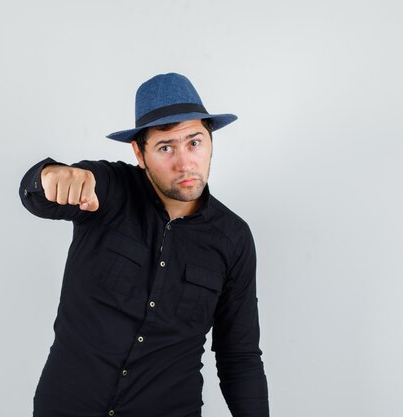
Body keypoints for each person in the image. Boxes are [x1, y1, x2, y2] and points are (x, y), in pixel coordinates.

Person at [19, 73, 269, 417]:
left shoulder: (234, 239)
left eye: (194, 142)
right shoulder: (108, 189)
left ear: (210, 141)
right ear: (139, 152)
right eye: (166, 147)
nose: (185, 163)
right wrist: (50, 175)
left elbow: (239, 356)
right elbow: (38, 195)